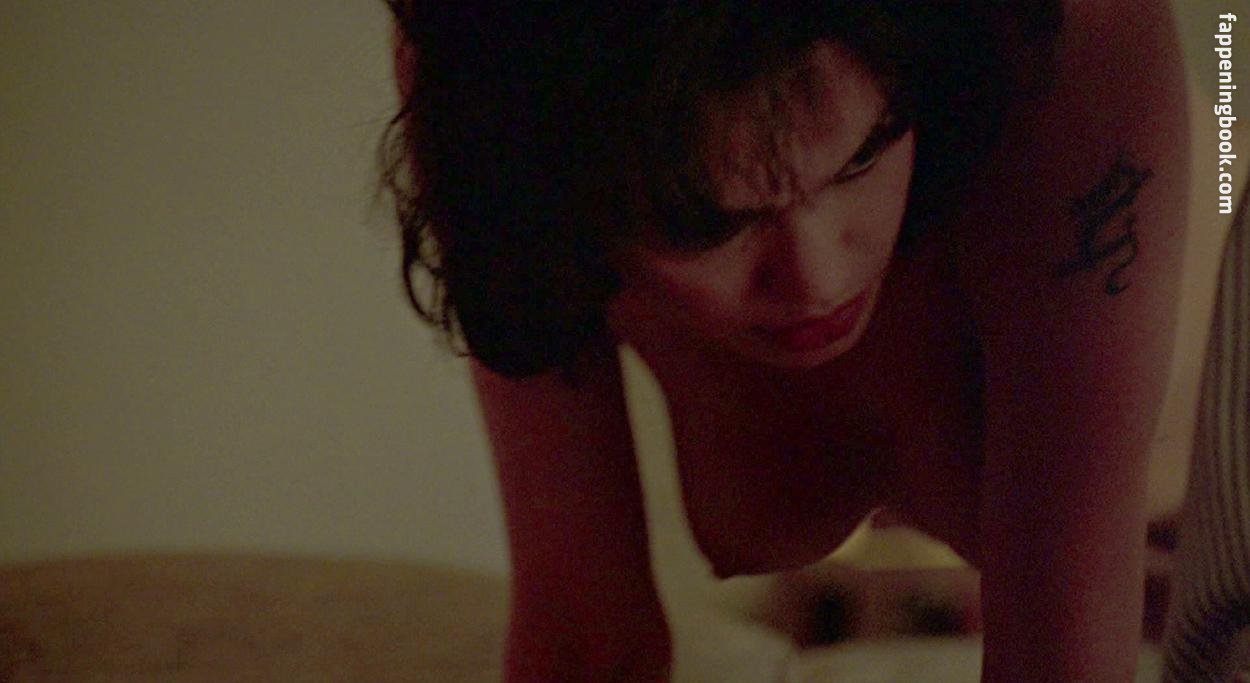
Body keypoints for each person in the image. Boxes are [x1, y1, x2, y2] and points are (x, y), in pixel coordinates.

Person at [382, 2, 1191, 680]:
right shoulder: (493, 83)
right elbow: (584, 639)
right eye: (708, 223)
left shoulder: (1067, 40)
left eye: (863, 153)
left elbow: (1063, 664)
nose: (816, 280)